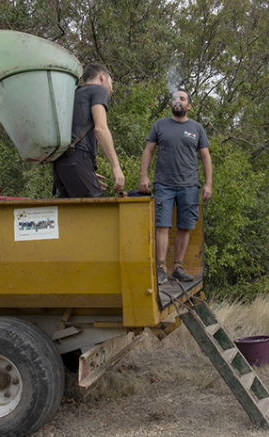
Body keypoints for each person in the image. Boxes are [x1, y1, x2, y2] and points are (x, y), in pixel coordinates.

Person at [139, 88, 212, 284]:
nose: (177, 101)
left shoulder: (197, 128)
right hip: (164, 184)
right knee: (162, 225)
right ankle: (161, 268)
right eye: (174, 98)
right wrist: (143, 176)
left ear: (188, 105)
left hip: (189, 186)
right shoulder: (160, 125)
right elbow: (148, 152)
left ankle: (178, 267)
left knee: (184, 226)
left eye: (181, 98)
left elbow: (205, 157)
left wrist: (208, 184)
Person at [53, 63, 125, 198]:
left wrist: (85, 173)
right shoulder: (98, 90)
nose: (112, 90)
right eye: (111, 82)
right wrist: (116, 166)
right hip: (78, 158)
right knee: (98, 213)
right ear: (102, 77)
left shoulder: (73, 93)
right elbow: (100, 128)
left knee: (70, 215)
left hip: (61, 164)